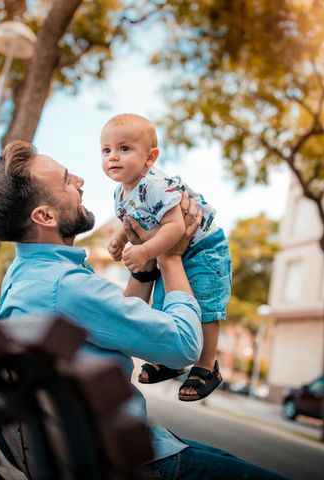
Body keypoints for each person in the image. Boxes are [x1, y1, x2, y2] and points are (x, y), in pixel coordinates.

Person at [0, 140, 286, 479]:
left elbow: (122, 325)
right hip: (121, 461)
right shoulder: (64, 286)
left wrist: (144, 269)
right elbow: (183, 346)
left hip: (79, 451)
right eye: (65, 180)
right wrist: (171, 257)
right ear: (45, 216)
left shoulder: (27, 275)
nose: (79, 180)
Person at [101, 113, 231, 402]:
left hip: (205, 248)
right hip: (169, 249)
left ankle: (207, 366)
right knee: (165, 303)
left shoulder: (155, 184)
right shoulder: (120, 193)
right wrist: (119, 239)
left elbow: (176, 227)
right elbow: (130, 219)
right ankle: (173, 362)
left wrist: (146, 251)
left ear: (150, 158)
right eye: (106, 150)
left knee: (205, 306)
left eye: (124, 149)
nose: (113, 157)